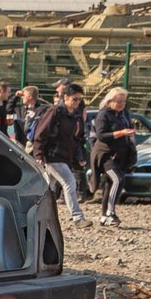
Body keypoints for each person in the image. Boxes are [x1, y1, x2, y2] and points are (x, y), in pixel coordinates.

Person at [32, 83, 92, 228]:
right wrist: (38, 153)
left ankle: (35, 213)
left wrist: (80, 156)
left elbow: (78, 138)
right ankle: (77, 217)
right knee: (69, 182)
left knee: (48, 187)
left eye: (80, 100)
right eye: (75, 99)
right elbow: (41, 132)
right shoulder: (55, 112)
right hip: (52, 155)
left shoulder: (75, 115)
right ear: (65, 97)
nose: (77, 102)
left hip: (65, 156)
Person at [91, 87, 137, 226]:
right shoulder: (103, 114)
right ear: (110, 101)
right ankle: (111, 213)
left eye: (124, 101)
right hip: (105, 154)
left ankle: (104, 216)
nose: (122, 104)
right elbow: (101, 135)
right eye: (119, 101)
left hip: (120, 155)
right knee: (117, 179)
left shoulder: (124, 114)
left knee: (110, 184)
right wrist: (121, 133)